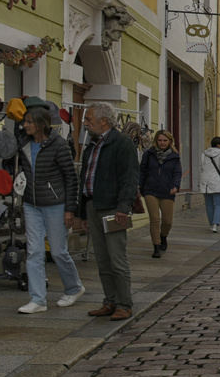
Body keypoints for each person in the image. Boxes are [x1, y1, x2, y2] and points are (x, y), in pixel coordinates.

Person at [15, 106, 85, 314]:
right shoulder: (24, 143)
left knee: (57, 251)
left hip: (56, 205)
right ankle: (37, 299)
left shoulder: (59, 145)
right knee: (34, 251)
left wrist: (69, 209)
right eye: (24, 121)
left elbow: (70, 178)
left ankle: (74, 288)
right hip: (31, 204)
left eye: (29, 121)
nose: (25, 125)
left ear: (41, 124)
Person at [77, 102, 139, 320]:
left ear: (104, 121)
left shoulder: (122, 143)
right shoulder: (92, 145)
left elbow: (130, 178)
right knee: (102, 259)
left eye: (89, 120)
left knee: (116, 258)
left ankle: (124, 303)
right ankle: (110, 301)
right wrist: (83, 213)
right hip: (93, 205)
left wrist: (124, 207)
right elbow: (84, 178)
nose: (85, 124)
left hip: (113, 208)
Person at [139, 129, 182, 257]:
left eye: (165, 140)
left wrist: (175, 185)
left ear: (169, 141)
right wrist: (141, 186)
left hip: (167, 190)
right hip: (150, 189)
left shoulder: (174, 156)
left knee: (167, 221)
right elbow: (142, 171)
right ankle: (156, 246)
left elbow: (177, 173)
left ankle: (163, 236)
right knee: (155, 219)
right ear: (156, 141)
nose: (162, 143)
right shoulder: (149, 154)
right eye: (160, 140)